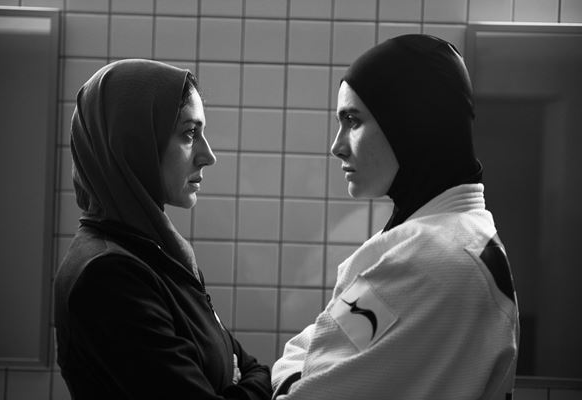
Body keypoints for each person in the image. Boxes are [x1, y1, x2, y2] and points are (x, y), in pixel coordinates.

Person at [271, 34, 519, 399]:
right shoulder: (462, 236)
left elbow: (301, 390)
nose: (337, 146)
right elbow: (321, 345)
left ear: (409, 123)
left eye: (353, 120)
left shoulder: (427, 261)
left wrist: (288, 375)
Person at [54, 59, 272, 400]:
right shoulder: (108, 276)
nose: (208, 155)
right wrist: (245, 382)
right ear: (133, 144)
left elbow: (254, 367)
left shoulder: (157, 254)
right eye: (189, 133)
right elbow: (252, 374)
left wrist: (243, 382)